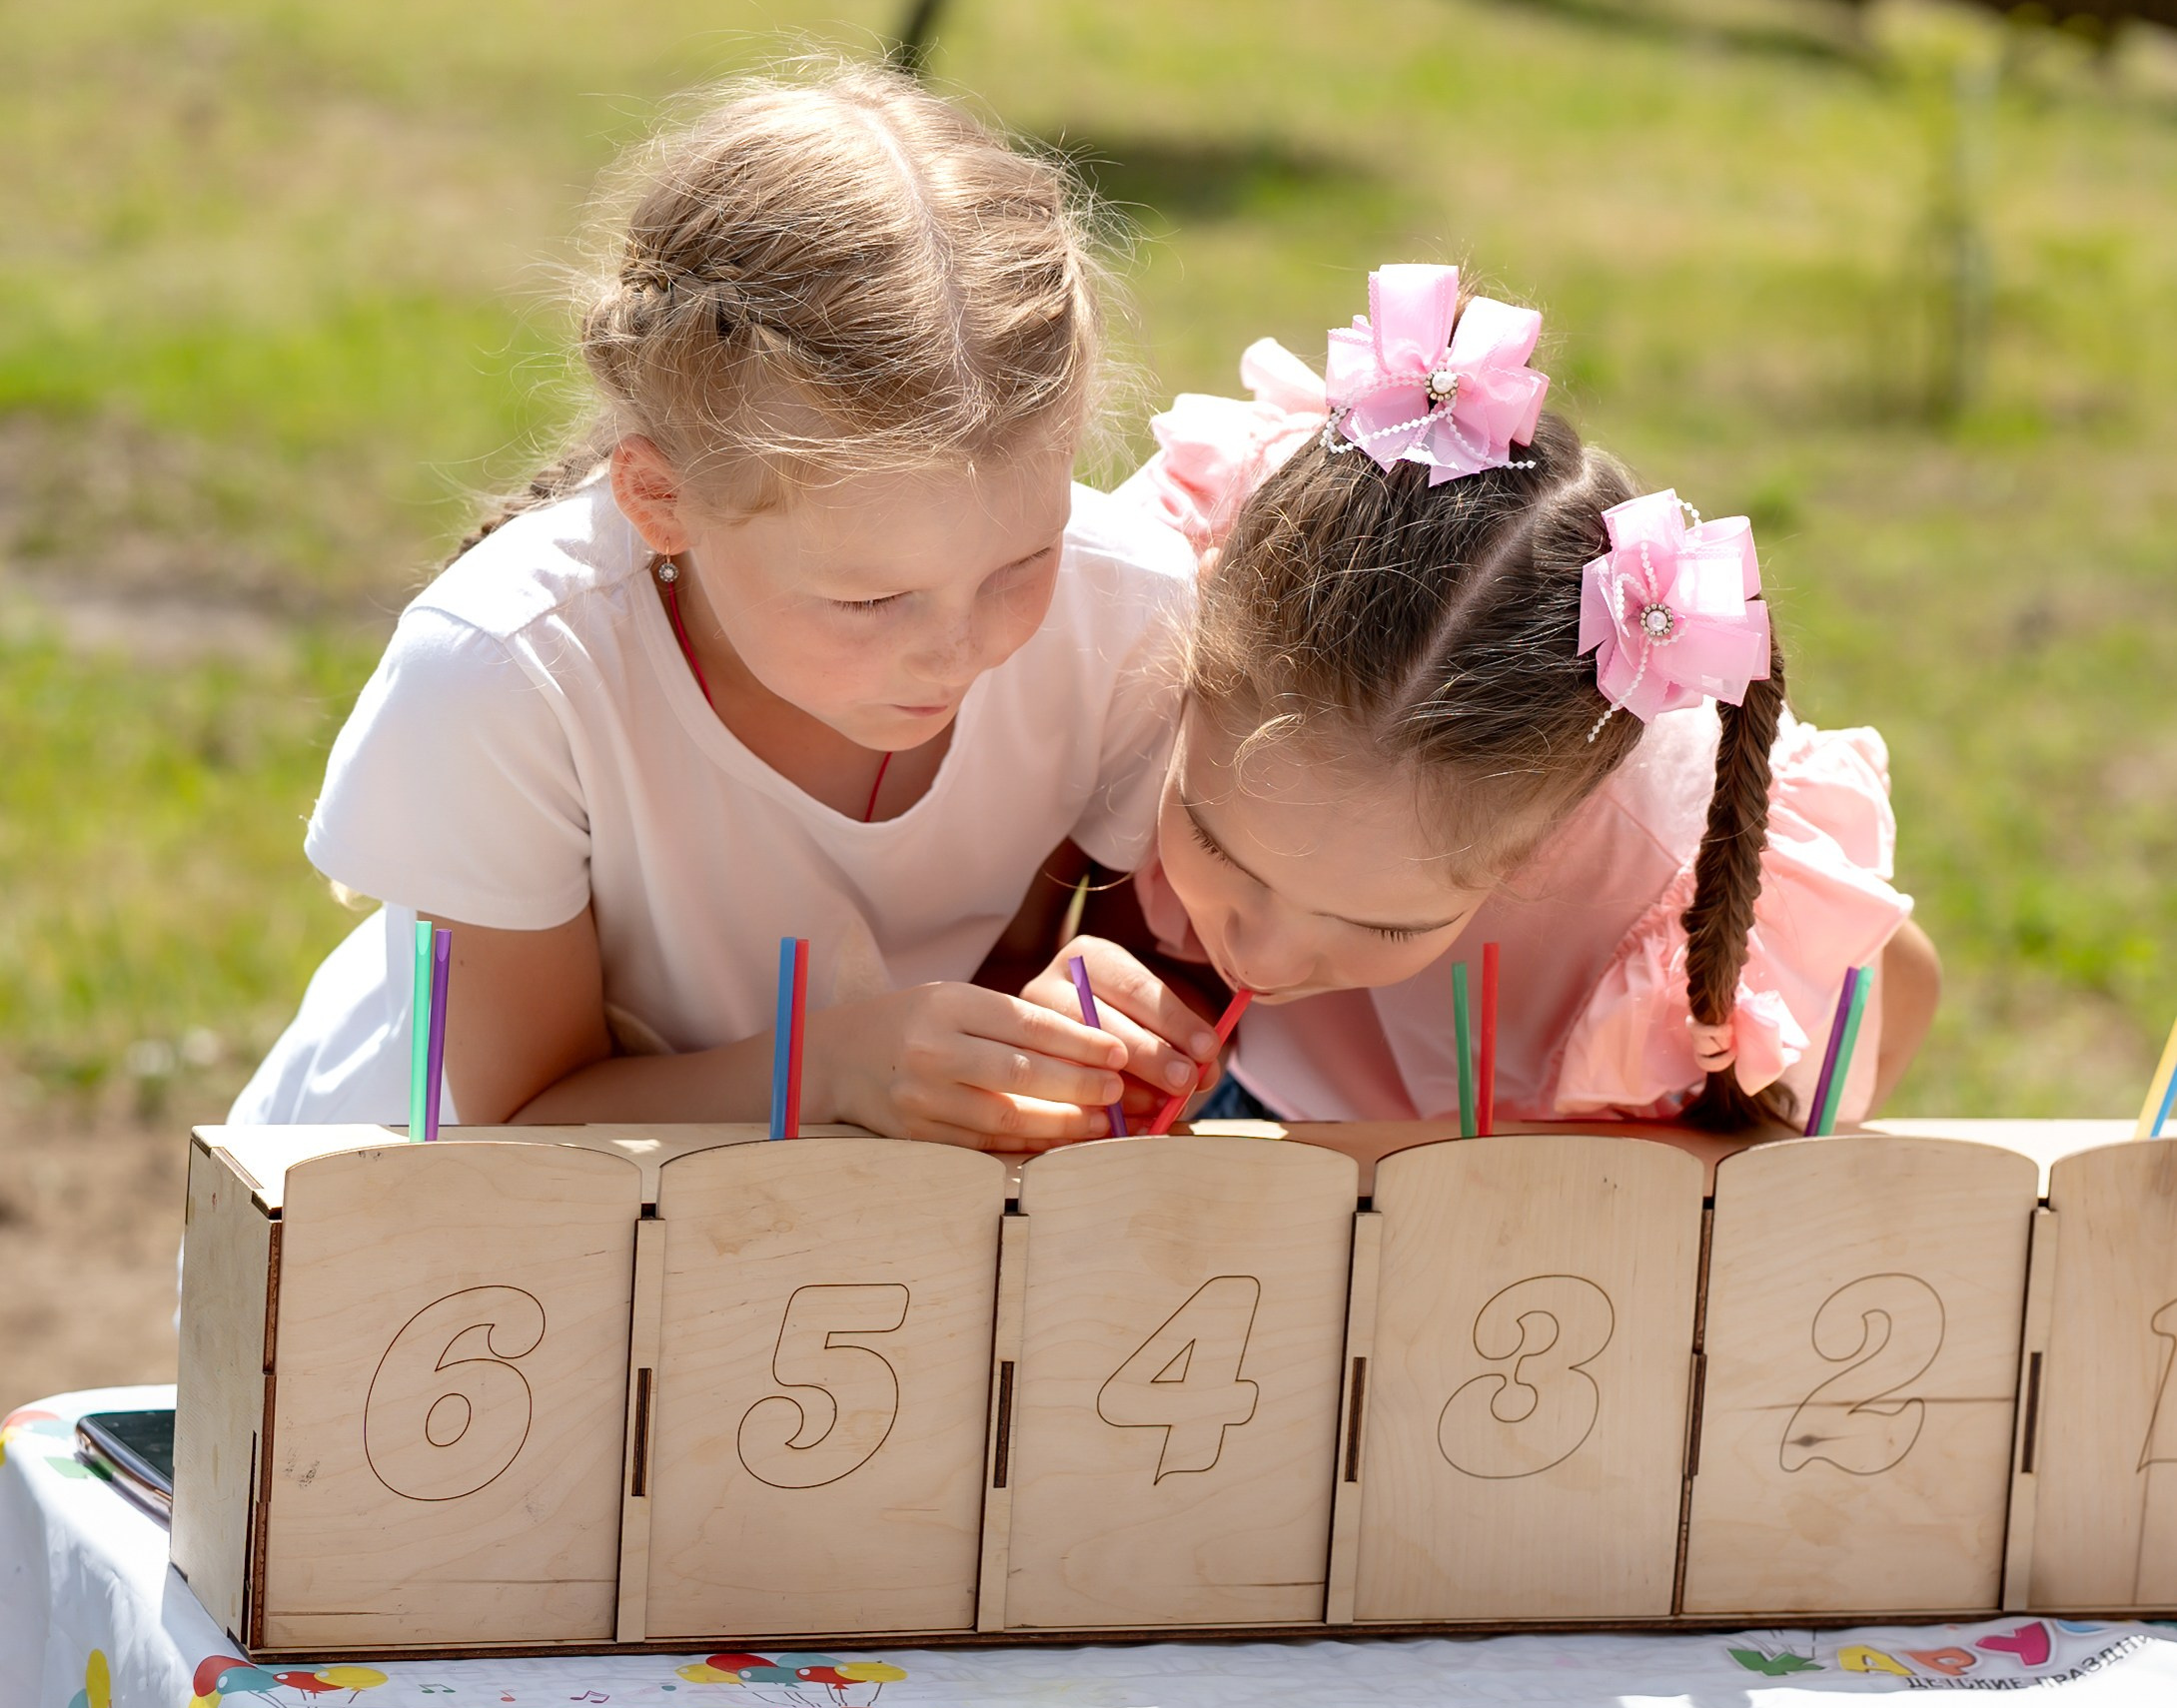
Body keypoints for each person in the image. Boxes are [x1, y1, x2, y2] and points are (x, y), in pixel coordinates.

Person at [230, 65, 1220, 1149]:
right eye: (867, 596)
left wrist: (1088, 1032)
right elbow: (517, 1117)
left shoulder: (1129, 614)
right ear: (662, 500)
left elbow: (1103, 996)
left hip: (839, 1254)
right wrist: (833, 1063)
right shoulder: (508, 674)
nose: (957, 650)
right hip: (424, 1238)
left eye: (1020, 564)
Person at [1106, 264, 1937, 1130]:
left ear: (1550, 830)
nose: (1259, 956)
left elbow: (1898, 990)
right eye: (1212, 840)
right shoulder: (1186, 572)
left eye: (1379, 924)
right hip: (1271, 1109)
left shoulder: (1660, 860)